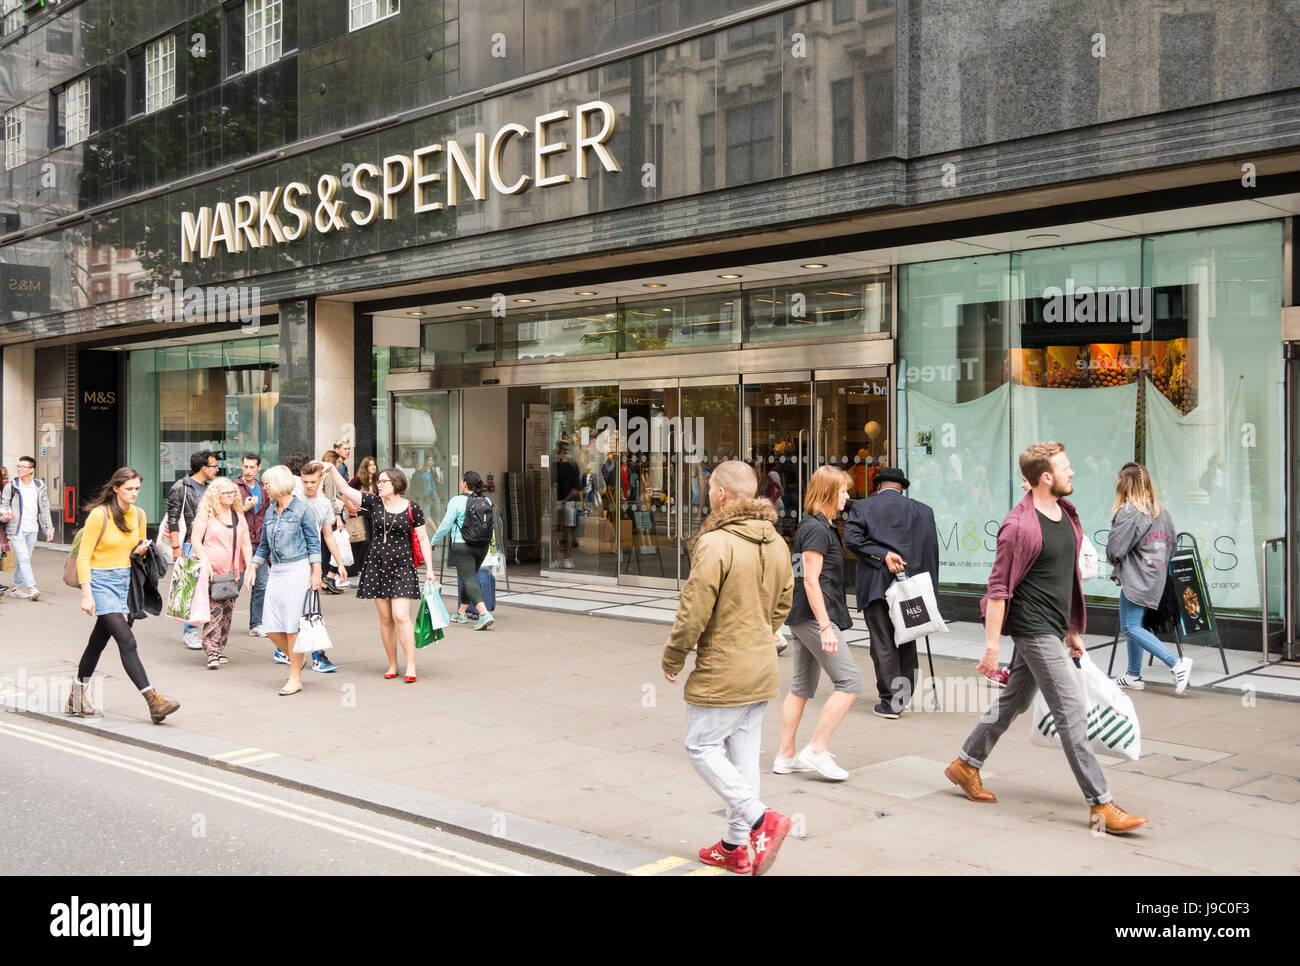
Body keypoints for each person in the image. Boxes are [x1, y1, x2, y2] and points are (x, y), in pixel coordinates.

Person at [945, 442, 1149, 835]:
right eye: (1065, 468)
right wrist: (990, 648)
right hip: (1033, 628)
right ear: (1045, 477)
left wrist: (1070, 629)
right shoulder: (1018, 525)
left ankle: (966, 763)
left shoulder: (1065, 513)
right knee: (1071, 711)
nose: (1072, 473)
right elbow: (999, 588)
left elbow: (1060, 578)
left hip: (1053, 627)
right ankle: (1101, 804)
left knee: (1015, 702)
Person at [661, 460, 795, 876]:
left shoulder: (716, 542)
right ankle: (736, 847)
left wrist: (674, 655)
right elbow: (784, 601)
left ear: (719, 494)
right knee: (743, 758)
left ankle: (761, 820)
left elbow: (694, 606)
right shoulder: (776, 542)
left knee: (700, 746)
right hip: (761, 666)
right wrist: (761, 632)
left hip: (724, 668)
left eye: (709, 488)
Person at [70, 466, 180, 723]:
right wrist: (87, 594)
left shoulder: (139, 515)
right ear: (116, 488)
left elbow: (136, 550)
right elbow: (84, 556)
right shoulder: (100, 515)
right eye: (129, 489)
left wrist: (142, 549)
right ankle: (153, 701)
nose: (133, 494)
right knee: (127, 642)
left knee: (97, 644)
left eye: (137, 489)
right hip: (101, 582)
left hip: (126, 584)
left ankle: (76, 695)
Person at [773, 467, 862, 781]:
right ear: (828, 493)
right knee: (850, 682)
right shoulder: (817, 530)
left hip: (805, 616)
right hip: (813, 616)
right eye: (843, 491)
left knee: (800, 688)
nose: (847, 497)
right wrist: (826, 626)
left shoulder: (813, 526)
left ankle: (785, 756)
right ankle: (817, 748)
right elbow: (810, 581)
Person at [844, 466, 940, 719]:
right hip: (912, 587)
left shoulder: (862, 507)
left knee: (883, 642)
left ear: (877, 486)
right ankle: (902, 696)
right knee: (908, 640)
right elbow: (930, 552)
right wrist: (930, 593)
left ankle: (891, 702)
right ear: (902, 488)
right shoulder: (923, 511)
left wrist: (882, 554)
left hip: (876, 584)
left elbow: (852, 540)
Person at [326, 464, 435, 682]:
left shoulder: (413, 508)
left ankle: (410, 665)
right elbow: (345, 490)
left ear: (395, 484)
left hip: (403, 566)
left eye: (383, 481)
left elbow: (423, 539)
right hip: (377, 564)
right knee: (386, 619)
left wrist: (430, 569)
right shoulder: (374, 502)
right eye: (378, 481)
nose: (379, 485)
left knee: (401, 616)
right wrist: (331, 468)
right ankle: (393, 663)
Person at [1107, 462, 1192, 694]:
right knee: (1135, 624)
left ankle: (1176, 663)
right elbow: (1172, 545)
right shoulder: (1160, 511)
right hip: (1156, 576)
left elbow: (1115, 550)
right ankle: (1133, 674)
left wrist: (1117, 561)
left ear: (1125, 485)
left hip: (1136, 578)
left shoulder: (1129, 512)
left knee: (1131, 626)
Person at [247, 465, 322, 696]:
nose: (264, 487)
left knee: (292, 625)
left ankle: (295, 677)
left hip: (297, 569)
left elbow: (313, 542)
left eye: (267, 483)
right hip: (276, 570)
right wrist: (253, 565)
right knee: (270, 626)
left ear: (278, 484)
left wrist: (316, 573)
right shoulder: (270, 511)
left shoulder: (302, 510)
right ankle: (296, 659)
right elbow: (264, 545)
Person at [190, 477, 253, 669]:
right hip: (212, 572)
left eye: (232, 492)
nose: (229, 495)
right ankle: (212, 651)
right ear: (215, 494)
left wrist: (250, 567)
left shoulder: (237, 515)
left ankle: (219, 647)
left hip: (232, 573)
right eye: (225, 492)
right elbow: (195, 539)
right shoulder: (207, 513)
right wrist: (205, 561)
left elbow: (245, 543)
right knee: (214, 611)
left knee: (227, 612)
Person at [290, 462, 347, 673]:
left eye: (313, 482)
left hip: (311, 562)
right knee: (296, 608)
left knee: (312, 609)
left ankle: (317, 654)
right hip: (291, 561)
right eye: (305, 482)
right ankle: (288, 650)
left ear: (320, 480)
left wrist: (339, 563)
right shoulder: (294, 496)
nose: (308, 486)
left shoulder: (323, 504)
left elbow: (328, 535)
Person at [428, 471, 495, 631]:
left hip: (462, 545)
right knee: (468, 577)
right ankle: (461, 612)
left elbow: (446, 524)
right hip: (482, 546)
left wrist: (433, 541)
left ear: (464, 483)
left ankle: (484, 613)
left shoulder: (457, 500)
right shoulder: (486, 500)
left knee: (469, 579)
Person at [166, 450, 218, 648]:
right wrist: (176, 546)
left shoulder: (212, 488)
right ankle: (190, 632)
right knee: (191, 589)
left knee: (208, 589)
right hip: (189, 543)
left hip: (209, 543)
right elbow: (172, 517)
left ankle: (206, 628)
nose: (216, 469)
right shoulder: (181, 487)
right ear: (204, 468)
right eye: (213, 466)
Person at [1, 455, 55, 600]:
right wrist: (5, 515)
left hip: (33, 528)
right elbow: (3, 505)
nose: (19, 469)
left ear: (31, 470)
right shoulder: (11, 486)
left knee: (24, 559)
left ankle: (15, 588)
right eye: (18, 466)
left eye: (23, 467)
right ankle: (32, 587)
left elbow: (44, 508)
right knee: (24, 558)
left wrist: (49, 529)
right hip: (16, 528)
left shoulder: (39, 486)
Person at [236, 454, 270, 637]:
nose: (248, 471)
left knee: (261, 585)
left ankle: (256, 623)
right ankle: (220, 620)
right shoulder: (235, 488)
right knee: (236, 583)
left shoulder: (264, 489)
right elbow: (229, 513)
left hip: (260, 543)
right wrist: (245, 507)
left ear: (259, 468)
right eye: (245, 466)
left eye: (252, 467)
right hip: (242, 543)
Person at [318, 450, 349, 588]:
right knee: (334, 546)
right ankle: (329, 576)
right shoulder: (329, 476)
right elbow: (330, 499)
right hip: (329, 515)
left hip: (321, 515)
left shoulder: (320, 475)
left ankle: (326, 576)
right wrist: (338, 516)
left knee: (325, 547)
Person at [346, 456, 379, 578]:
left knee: (372, 542)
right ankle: (359, 568)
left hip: (372, 513)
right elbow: (344, 493)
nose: (373, 467)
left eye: (374, 464)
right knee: (365, 542)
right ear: (365, 467)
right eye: (370, 465)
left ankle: (364, 567)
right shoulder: (358, 480)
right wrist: (351, 507)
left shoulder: (377, 480)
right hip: (360, 513)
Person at [554, 440, 582, 568]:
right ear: (558, 450)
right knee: (556, 530)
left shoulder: (573, 465)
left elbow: (576, 487)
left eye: (566, 449)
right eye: (562, 449)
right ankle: (555, 557)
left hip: (569, 501)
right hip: (558, 500)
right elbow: (552, 482)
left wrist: (565, 500)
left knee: (568, 530)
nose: (565, 452)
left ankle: (567, 557)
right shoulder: (556, 464)